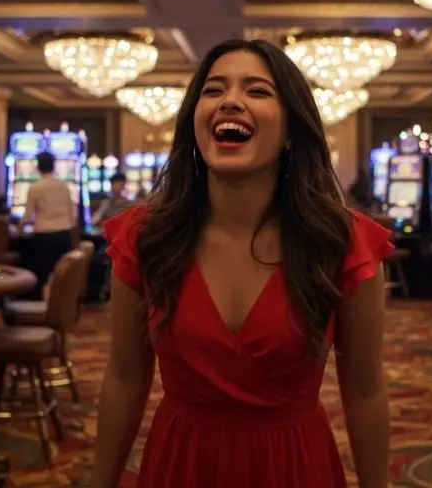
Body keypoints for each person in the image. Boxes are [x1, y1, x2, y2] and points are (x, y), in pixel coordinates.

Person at [94, 39, 393, 488]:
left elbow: (365, 390)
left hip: (293, 466)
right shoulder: (144, 237)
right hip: (181, 463)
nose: (230, 101)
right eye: (213, 90)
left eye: (257, 91)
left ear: (291, 129)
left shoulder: (343, 242)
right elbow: (123, 378)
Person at [18, 151, 75, 298]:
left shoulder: (35, 187)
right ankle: (62, 304)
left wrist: (19, 228)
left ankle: (40, 303)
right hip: (63, 234)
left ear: (38, 167)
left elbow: (28, 216)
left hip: (43, 235)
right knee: (63, 275)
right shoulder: (63, 186)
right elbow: (71, 213)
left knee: (42, 275)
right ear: (54, 166)